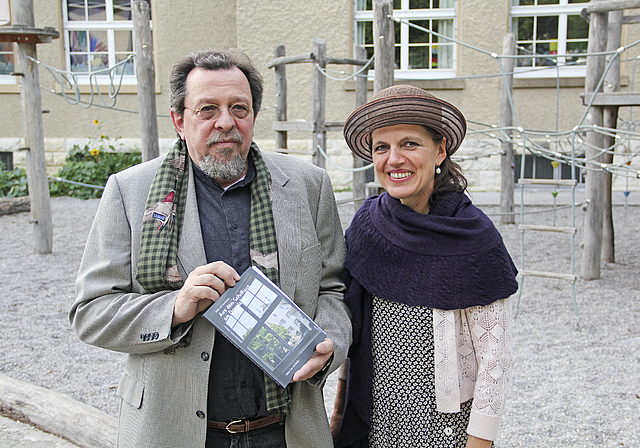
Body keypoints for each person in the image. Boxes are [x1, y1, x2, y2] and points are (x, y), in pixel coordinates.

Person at [69, 49, 351, 448]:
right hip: (175, 431)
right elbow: (90, 313)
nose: (225, 122)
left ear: (253, 115)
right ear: (179, 121)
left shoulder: (308, 185)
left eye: (239, 108)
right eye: (207, 109)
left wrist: (331, 345)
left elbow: (332, 289)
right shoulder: (129, 192)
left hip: (286, 429)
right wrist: (175, 308)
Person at [331, 85, 519, 448]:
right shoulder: (368, 226)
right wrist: (340, 411)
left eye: (409, 144)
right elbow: (351, 325)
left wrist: (481, 441)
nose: (394, 159)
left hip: (445, 429)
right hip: (375, 419)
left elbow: (496, 359)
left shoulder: (474, 238)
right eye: (381, 148)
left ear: (441, 150)